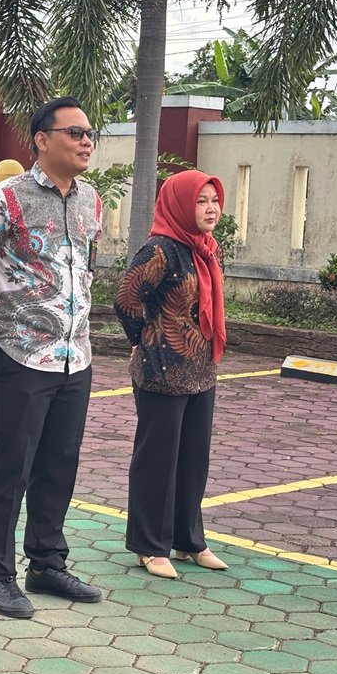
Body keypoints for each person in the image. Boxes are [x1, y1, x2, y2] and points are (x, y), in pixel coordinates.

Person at [0, 96, 104, 619]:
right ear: (42, 140)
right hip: (17, 353)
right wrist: (5, 312)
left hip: (74, 356)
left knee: (59, 463)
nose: (86, 141)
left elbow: (85, 267)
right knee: (11, 467)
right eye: (75, 133)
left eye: (90, 134)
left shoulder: (91, 200)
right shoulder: (4, 199)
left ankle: (46, 563)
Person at [113, 169, 229, 579]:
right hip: (161, 370)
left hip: (201, 370)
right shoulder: (160, 249)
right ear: (180, 205)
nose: (211, 208)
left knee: (193, 458)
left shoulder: (206, 248)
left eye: (214, 200)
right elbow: (126, 299)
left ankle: (188, 541)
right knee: (157, 459)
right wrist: (141, 339)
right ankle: (149, 546)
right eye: (201, 201)